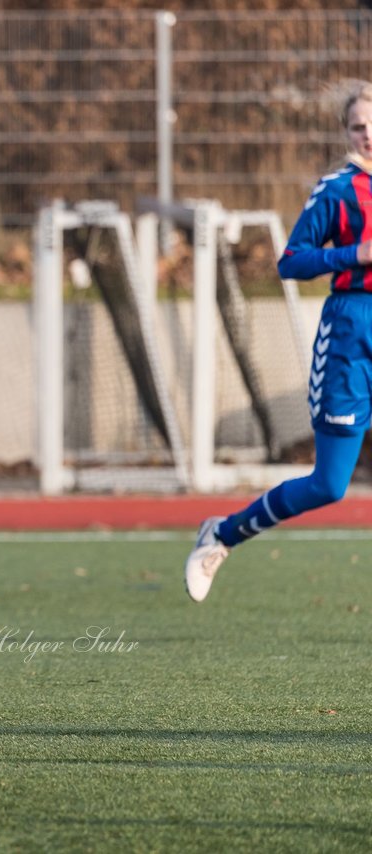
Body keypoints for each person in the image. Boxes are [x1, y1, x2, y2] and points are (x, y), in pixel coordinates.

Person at [185, 81, 372, 602]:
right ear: (347, 131)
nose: (368, 135)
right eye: (359, 126)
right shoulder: (336, 189)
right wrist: (354, 254)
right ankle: (221, 536)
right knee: (330, 485)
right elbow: (292, 261)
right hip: (352, 334)